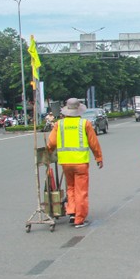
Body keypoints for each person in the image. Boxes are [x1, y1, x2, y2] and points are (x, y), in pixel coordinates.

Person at [46, 98, 103, 228]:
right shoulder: (85, 124)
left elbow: (51, 143)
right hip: (80, 163)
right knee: (81, 191)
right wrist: (98, 158)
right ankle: (79, 219)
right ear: (79, 110)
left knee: (70, 187)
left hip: (65, 163)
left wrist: (48, 153)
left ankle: (71, 212)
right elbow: (94, 143)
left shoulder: (59, 124)